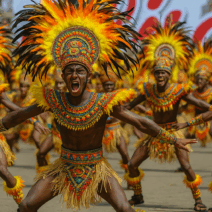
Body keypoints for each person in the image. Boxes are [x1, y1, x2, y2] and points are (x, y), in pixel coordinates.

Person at [1, 1, 196, 211]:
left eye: (80, 71)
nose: (74, 75)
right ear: (63, 75)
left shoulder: (104, 102)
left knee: (124, 209)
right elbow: (18, 116)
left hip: (96, 168)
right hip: (64, 166)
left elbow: (140, 121)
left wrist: (171, 140)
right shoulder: (53, 99)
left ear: (89, 75)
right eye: (70, 71)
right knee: (27, 206)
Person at [124, 18, 210, 211]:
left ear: (169, 74)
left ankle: (198, 200)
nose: (160, 75)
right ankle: (138, 196)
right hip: (154, 133)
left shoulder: (179, 90)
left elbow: (206, 108)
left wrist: (188, 125)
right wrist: (112, 108)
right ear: (154, 74)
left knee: (187, 168)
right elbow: (129, 105)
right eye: (157, 73)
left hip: (174, 132)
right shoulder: (147, 89)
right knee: (132, 164)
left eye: (164, 73)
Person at [185, 40, 212, 147]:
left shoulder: (211, 91)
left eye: (202, 80)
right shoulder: (193, 91)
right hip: (196, 119)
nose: (199, 81)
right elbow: (186, 105)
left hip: (210, 118)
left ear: (206, 81)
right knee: (186, 135)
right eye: (198, 79)